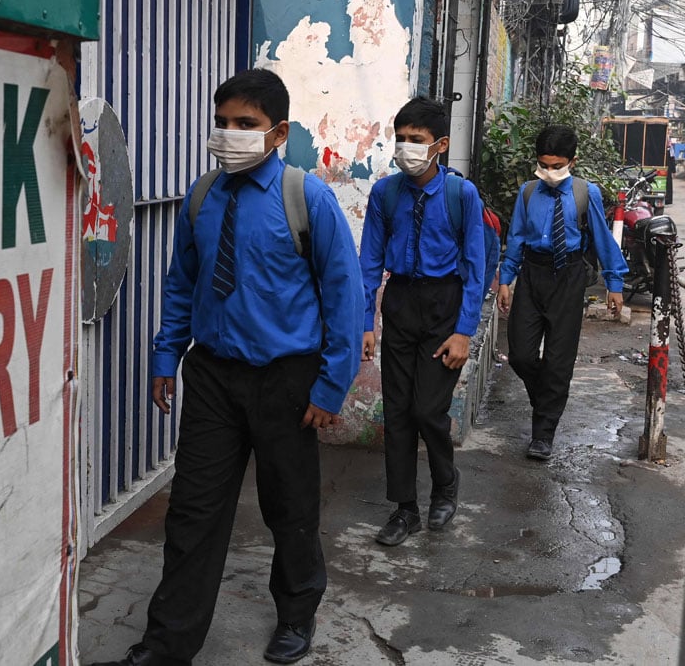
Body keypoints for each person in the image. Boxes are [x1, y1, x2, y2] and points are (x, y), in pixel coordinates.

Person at [90, 68, 362, 666]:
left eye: (247, 124)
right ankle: (166, 645)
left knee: (289, 505)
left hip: (287, 379)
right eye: (222, 123)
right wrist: (167, 354)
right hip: (213, 375)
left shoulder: (305, 197)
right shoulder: (201, 195)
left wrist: (330, 385)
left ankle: (296, 612)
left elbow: (345, 297)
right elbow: (182, 283)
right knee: (193, 511)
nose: (230, 134)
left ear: (278, 131)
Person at [359, 97, 486, 547]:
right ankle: (404, 508)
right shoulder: (385, 193)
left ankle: (446, 485)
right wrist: (365, 323)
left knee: (427, 410)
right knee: (396, 412)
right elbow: (369, 261)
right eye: (402, 139)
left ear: (441, 145)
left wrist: (464, 331)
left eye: (417, 140)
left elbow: (476, 265)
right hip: (400, 303)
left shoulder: (460, 194)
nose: (407, 148)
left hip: (444, 306)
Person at [497, 124, 628, 460]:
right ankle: (546, 400)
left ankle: (543, 433)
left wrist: (614, 284)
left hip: (568, 277)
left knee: (558, 359)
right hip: (532, 274)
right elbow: (516, 239)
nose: (550, 172)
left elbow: (602, 237)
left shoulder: (586, 193)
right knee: (522, 355)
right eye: (544, 165)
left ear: (573, 160)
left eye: (557, 166)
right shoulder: (528, 193)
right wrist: (505, 281)